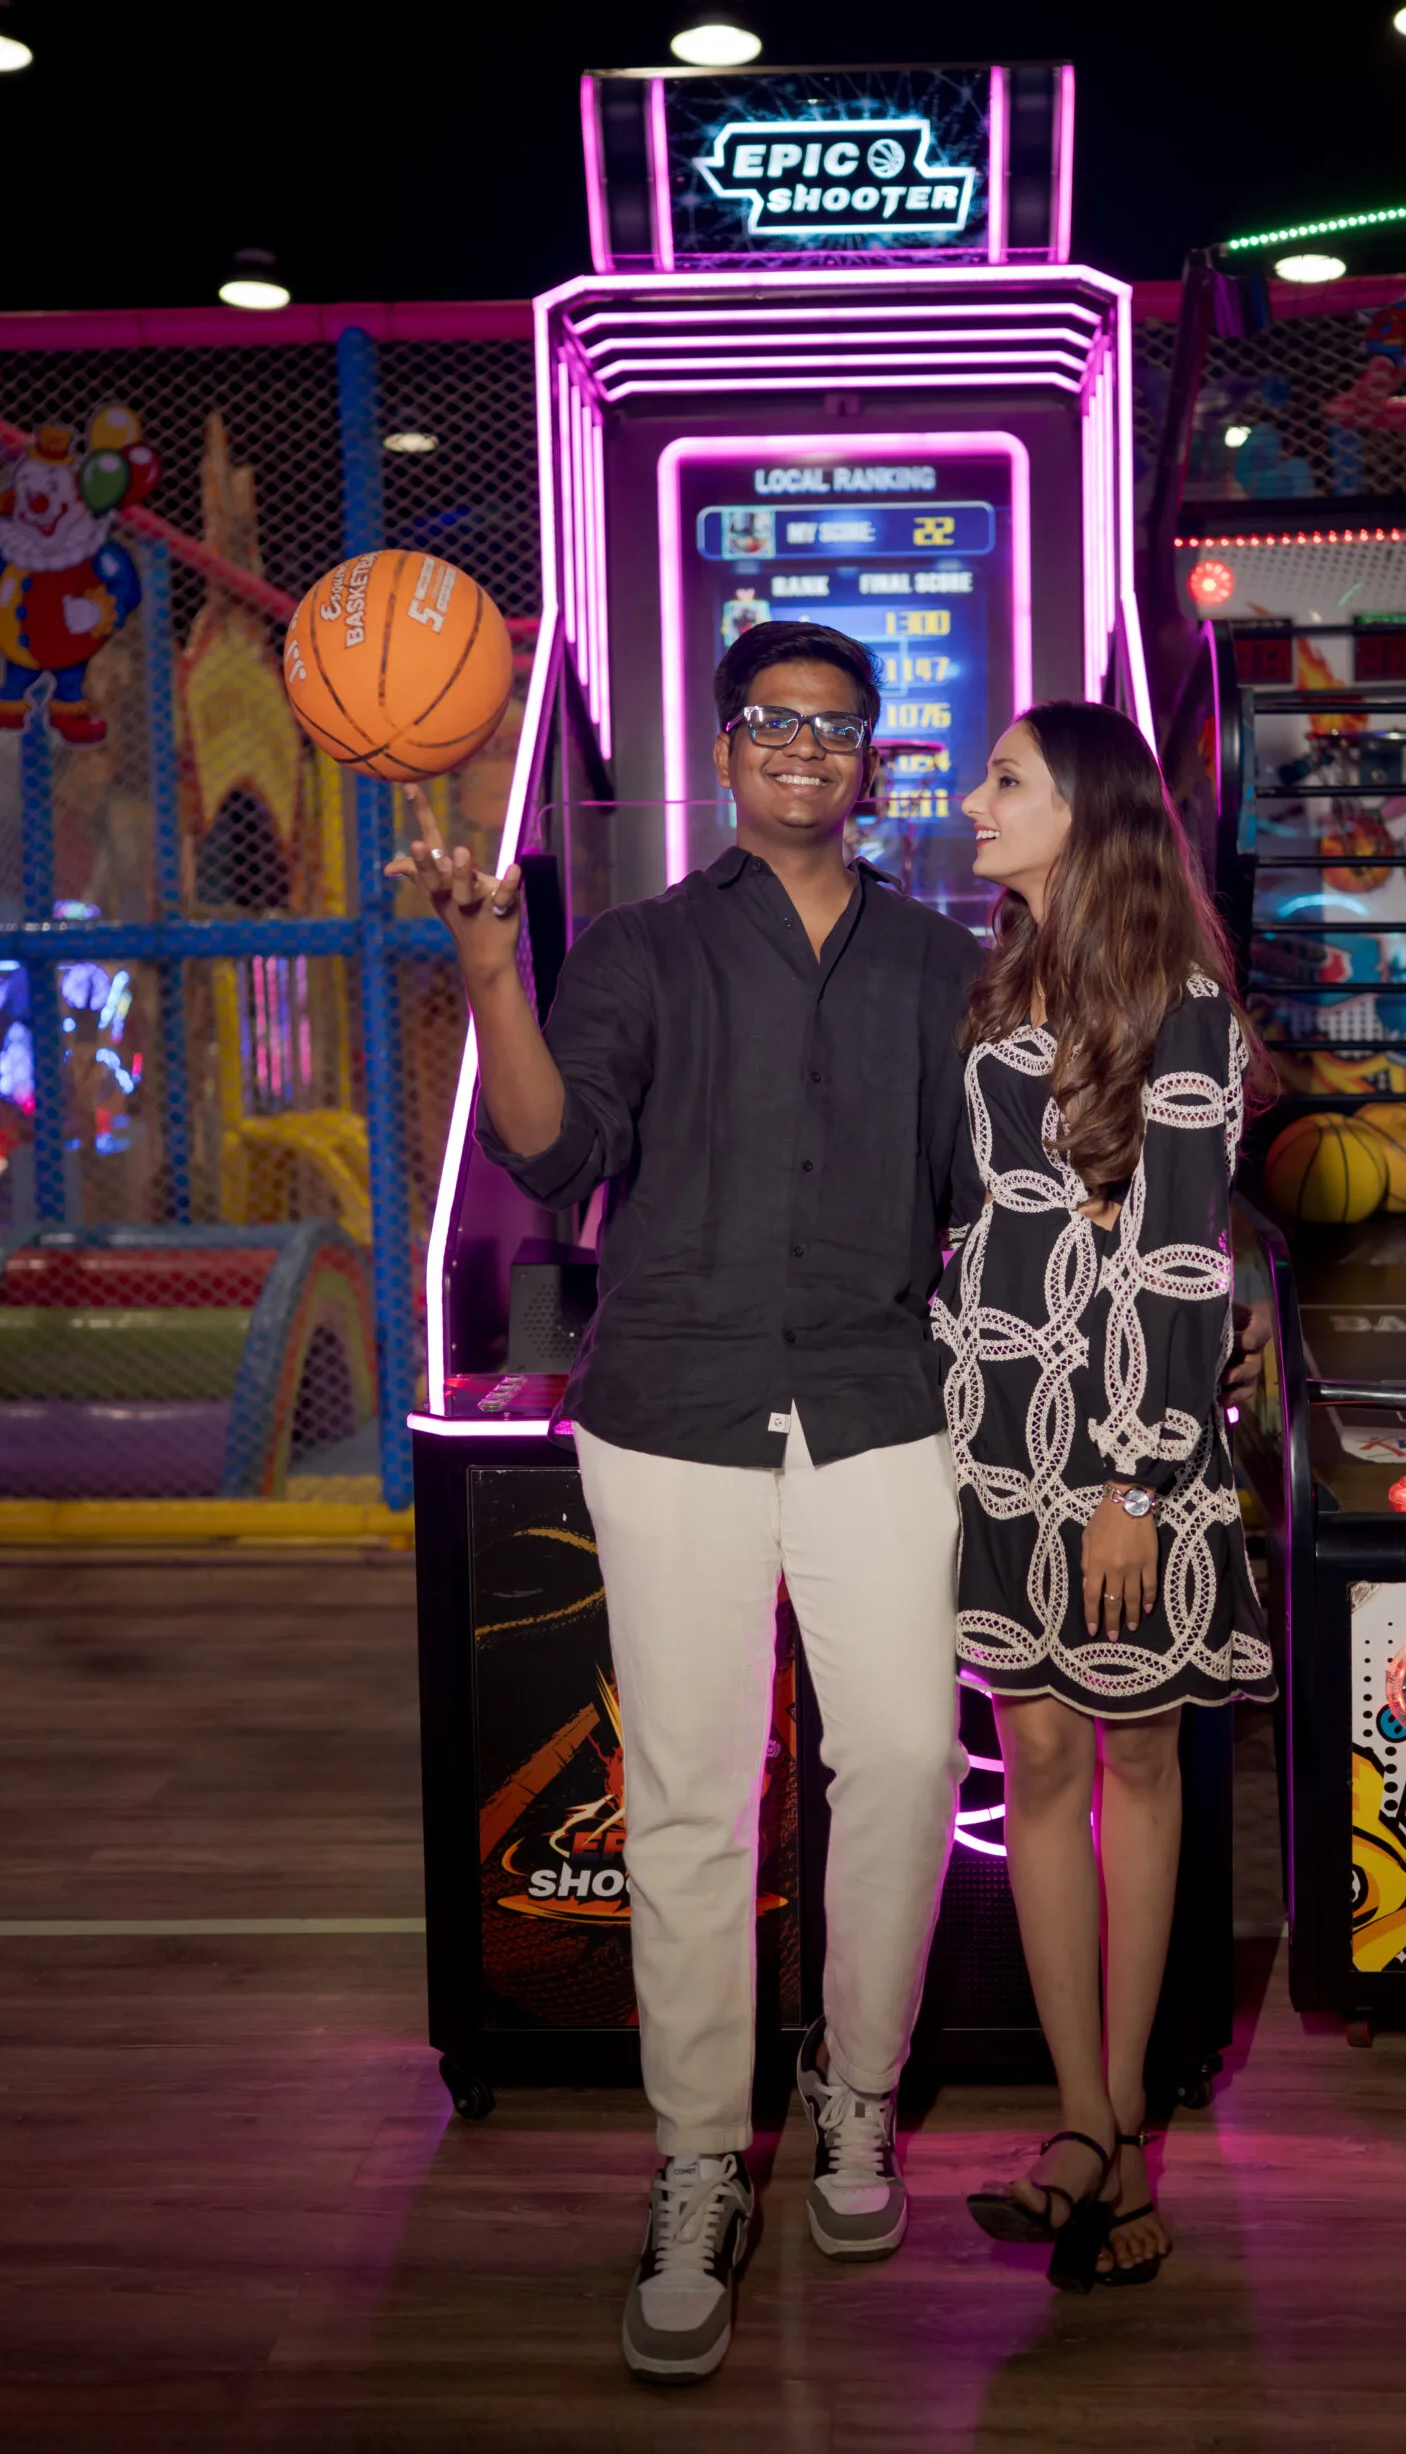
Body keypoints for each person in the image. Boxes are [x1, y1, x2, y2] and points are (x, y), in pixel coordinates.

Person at [388, 634, 1270, 2382]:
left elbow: (1041, 1186)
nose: (804, 747)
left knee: (914, 1764)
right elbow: (552, 1153)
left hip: (884, 1408)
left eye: (837, 728)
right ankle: (698, 2165)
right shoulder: (637, 949)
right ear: (726, 749)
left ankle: (855, 2093)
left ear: (873, 760)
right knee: (688, 1800)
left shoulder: (954, 970)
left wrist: (1212, 1288)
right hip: (674, 1410)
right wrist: (491, 969)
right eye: (771, 722)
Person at [932, 699, 1278, 2294]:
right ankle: (1083, 2119)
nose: (973, 797)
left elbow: (1177, 1253)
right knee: (1037, 1760)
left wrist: (1135, 1474)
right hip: (996, 1427)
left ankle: (1123, 2126)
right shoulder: (991, 984)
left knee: (1134, 1760)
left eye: (1005, 779)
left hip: (1132, 1440)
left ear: (1087, 810)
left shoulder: (1177, 1000)